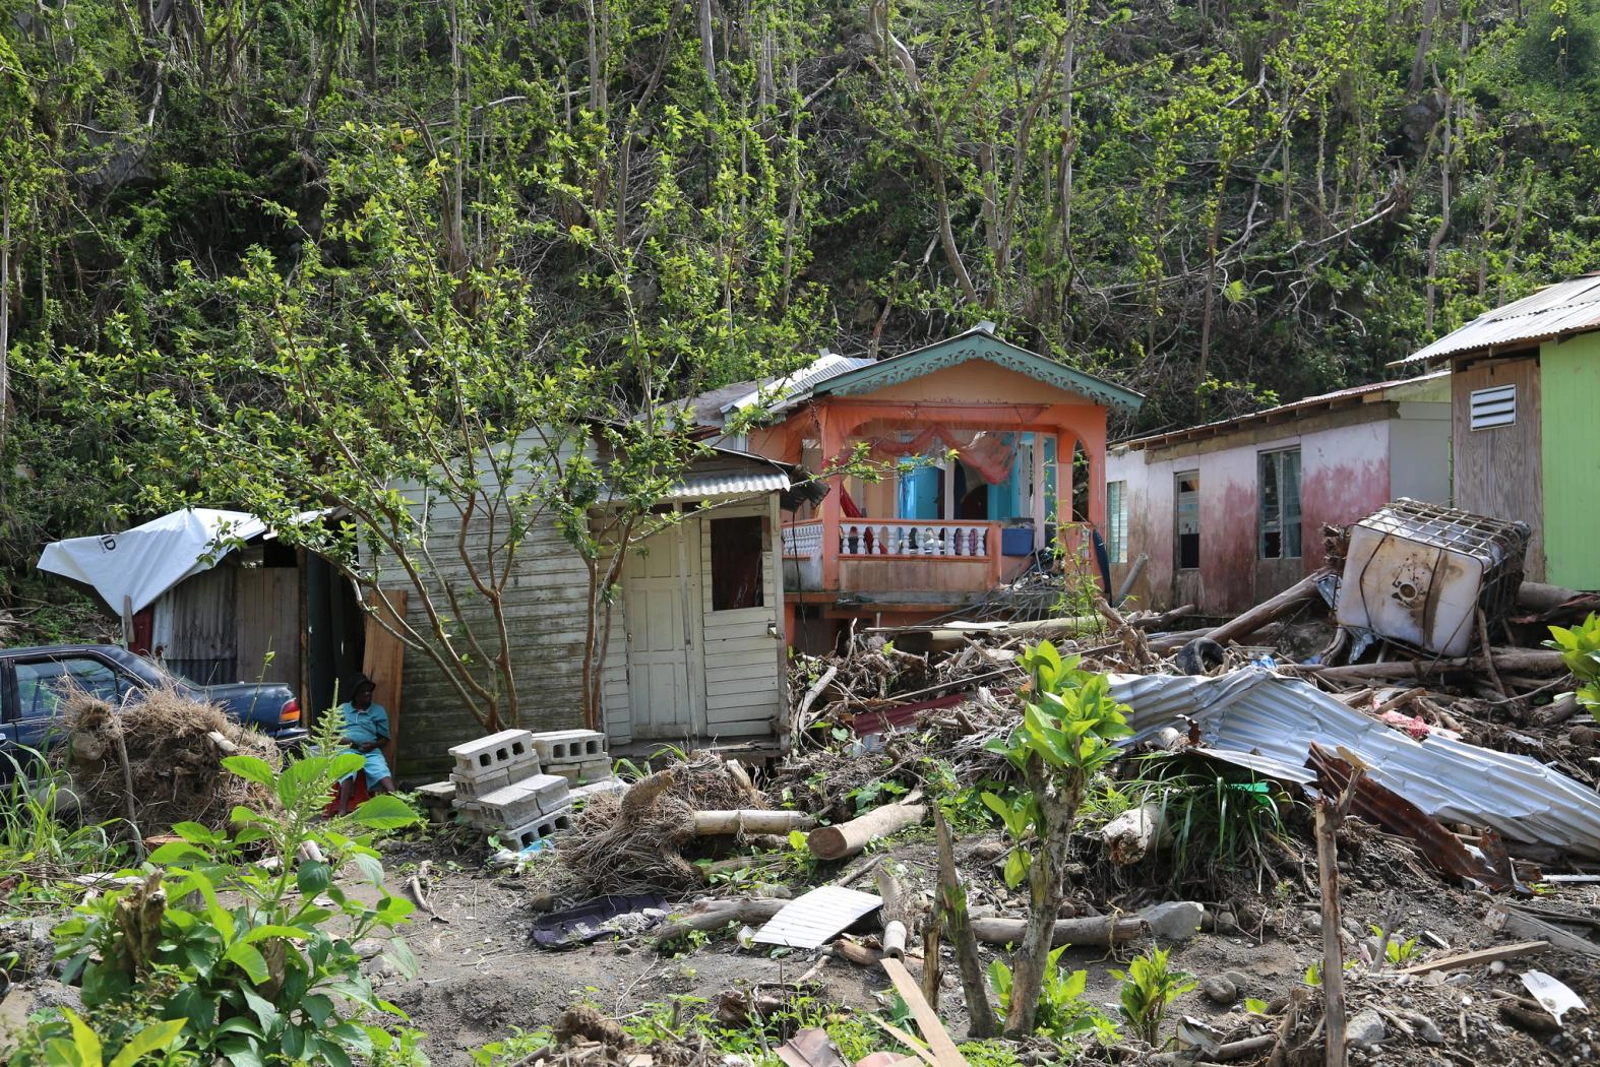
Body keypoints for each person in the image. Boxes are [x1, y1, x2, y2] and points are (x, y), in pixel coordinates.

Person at [334, 675, 395, 814]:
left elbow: (385, 738)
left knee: (381, 771)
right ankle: (342, 810)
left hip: (370, 751)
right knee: (348, 769)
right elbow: (331, 736)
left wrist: (373, 745)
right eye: (363, 691)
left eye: (369, 691)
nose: (367, 694)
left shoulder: (378, 711)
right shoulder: (342, 709)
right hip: (347, 749)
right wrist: (346, 742)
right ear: (354, 695)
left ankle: (399, 803)